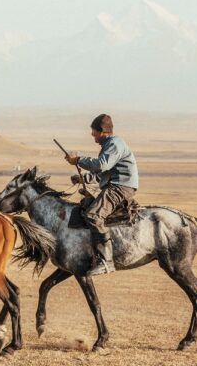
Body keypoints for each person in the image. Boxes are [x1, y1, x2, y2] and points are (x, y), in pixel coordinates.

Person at [64, 113, 139, 276]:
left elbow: (102, 165)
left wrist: (78, 160)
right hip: (115, 183)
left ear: (102, 131)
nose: (92, 135)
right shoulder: (109, 145)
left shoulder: (114, 144)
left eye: (94, 132)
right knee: (84, 208)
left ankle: (106, 260)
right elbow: (103, 172)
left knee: (93, 215)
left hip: (120, 186)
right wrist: (83, 178)